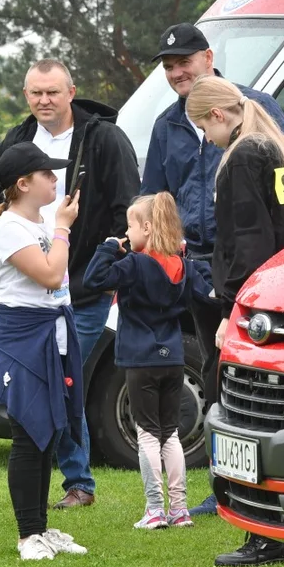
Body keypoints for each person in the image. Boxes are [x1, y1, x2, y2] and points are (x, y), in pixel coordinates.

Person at [141, 22, 284, 517]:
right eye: (168, 66)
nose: (175, 72)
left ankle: (269, 481)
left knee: (258, 377)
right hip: (198, 268)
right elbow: (153, 199)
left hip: (256, 270)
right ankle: (224, 483)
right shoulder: (167, 124)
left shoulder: (254, 108)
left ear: (208, 58)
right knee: (214, 375)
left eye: (183, 61)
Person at [0, 59, 140, 510]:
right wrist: (9, 221)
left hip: (82, 283)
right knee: (53, 385)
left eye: (52, 93)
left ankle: (78, 481)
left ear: (71, 91)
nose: (44, 101)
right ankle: (67, 480)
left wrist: (107, 265)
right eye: (35, 93)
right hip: (31, 281)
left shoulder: (103, 137)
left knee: (66, 383)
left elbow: (129, 205)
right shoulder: (21, 138)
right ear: (26, 95)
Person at [186, 75, 284, 567]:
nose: (206, 137)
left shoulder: (241, 158)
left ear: (218, 116)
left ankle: (264, 535)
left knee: (248, 419)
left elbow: (247, 240)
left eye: (203, 126)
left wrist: (230, 310)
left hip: (260, 306)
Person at [0, 142, 89, 561]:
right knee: (28, 434)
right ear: (23, 184)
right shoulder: (10, 228)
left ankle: (40, 527)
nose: (56, 180)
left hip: (49, 334)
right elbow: (51, 274)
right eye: (47, 174)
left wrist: (56, 226)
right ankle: (27, 535)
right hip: (22, 338)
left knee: (47, 434)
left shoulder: (36, 222)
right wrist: (63, 227)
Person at [82, 192, 193, 530]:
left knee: (147, 434)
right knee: (170, 433)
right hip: (173, 357)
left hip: (140, 359)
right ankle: (180, 509)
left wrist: (106, 249)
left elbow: (92, 281)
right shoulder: (180, 263)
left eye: (130, 226)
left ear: (146, 226)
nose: (127, 233)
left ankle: (155, 509)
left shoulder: (135, 263)